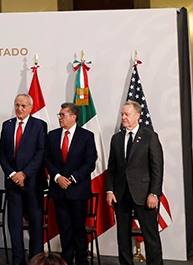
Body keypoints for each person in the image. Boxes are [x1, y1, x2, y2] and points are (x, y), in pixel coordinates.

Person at [106, 101, 164, 265]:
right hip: (121, 195)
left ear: (137, 116)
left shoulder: (150, 137)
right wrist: (109, 190)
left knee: (150, 236)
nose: (123, 117)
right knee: (122, 237)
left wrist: (154, 193)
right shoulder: (116, 139)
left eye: (127, 114)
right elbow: (112, 169)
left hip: (144, 194)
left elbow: (157, 168)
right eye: (122, 114)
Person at [45, 103, 97, 265]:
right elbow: (47, 159)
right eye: (59, 115)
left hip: (78, 190)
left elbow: (90, 163)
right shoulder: (52, 136)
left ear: (74, 116)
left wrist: (72, 178)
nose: (60, 118)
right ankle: (65, 260)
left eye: (63, 115)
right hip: (58, 190)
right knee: (64, 229)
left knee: (78, 230)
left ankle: (82, 261)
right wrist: (58, 177)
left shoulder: (86, 136)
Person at [0, 94, 47, 265]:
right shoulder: (7, 125)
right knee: (14, 224)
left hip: (33, 183)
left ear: (31, 107)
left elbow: (40, 153)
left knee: (35, 224)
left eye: (23, 106)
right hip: (13, 184)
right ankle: (17, 260)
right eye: (17, 105)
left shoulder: (39, 125)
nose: (20, 108)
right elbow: (2, 154)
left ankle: (35, 260)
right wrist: (13, 174)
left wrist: (24, 174)